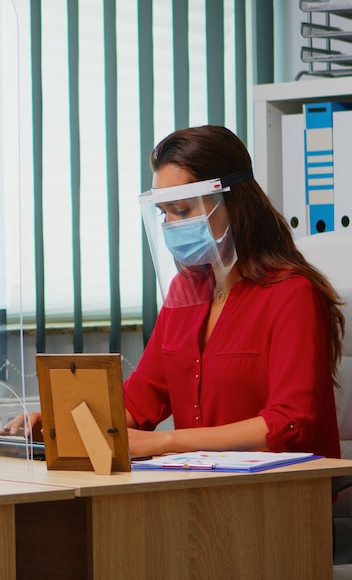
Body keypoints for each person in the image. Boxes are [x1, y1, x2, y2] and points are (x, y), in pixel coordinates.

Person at [1, 125, 345, 461]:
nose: (172, 225)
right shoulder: (186, 291)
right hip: (195, 494)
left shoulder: (292, 295)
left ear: (233, 204)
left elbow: (287, 424)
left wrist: (164, 442)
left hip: (279, 497)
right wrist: (58, 422)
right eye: (164, 213)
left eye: (182, 210)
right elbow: (138, 402)